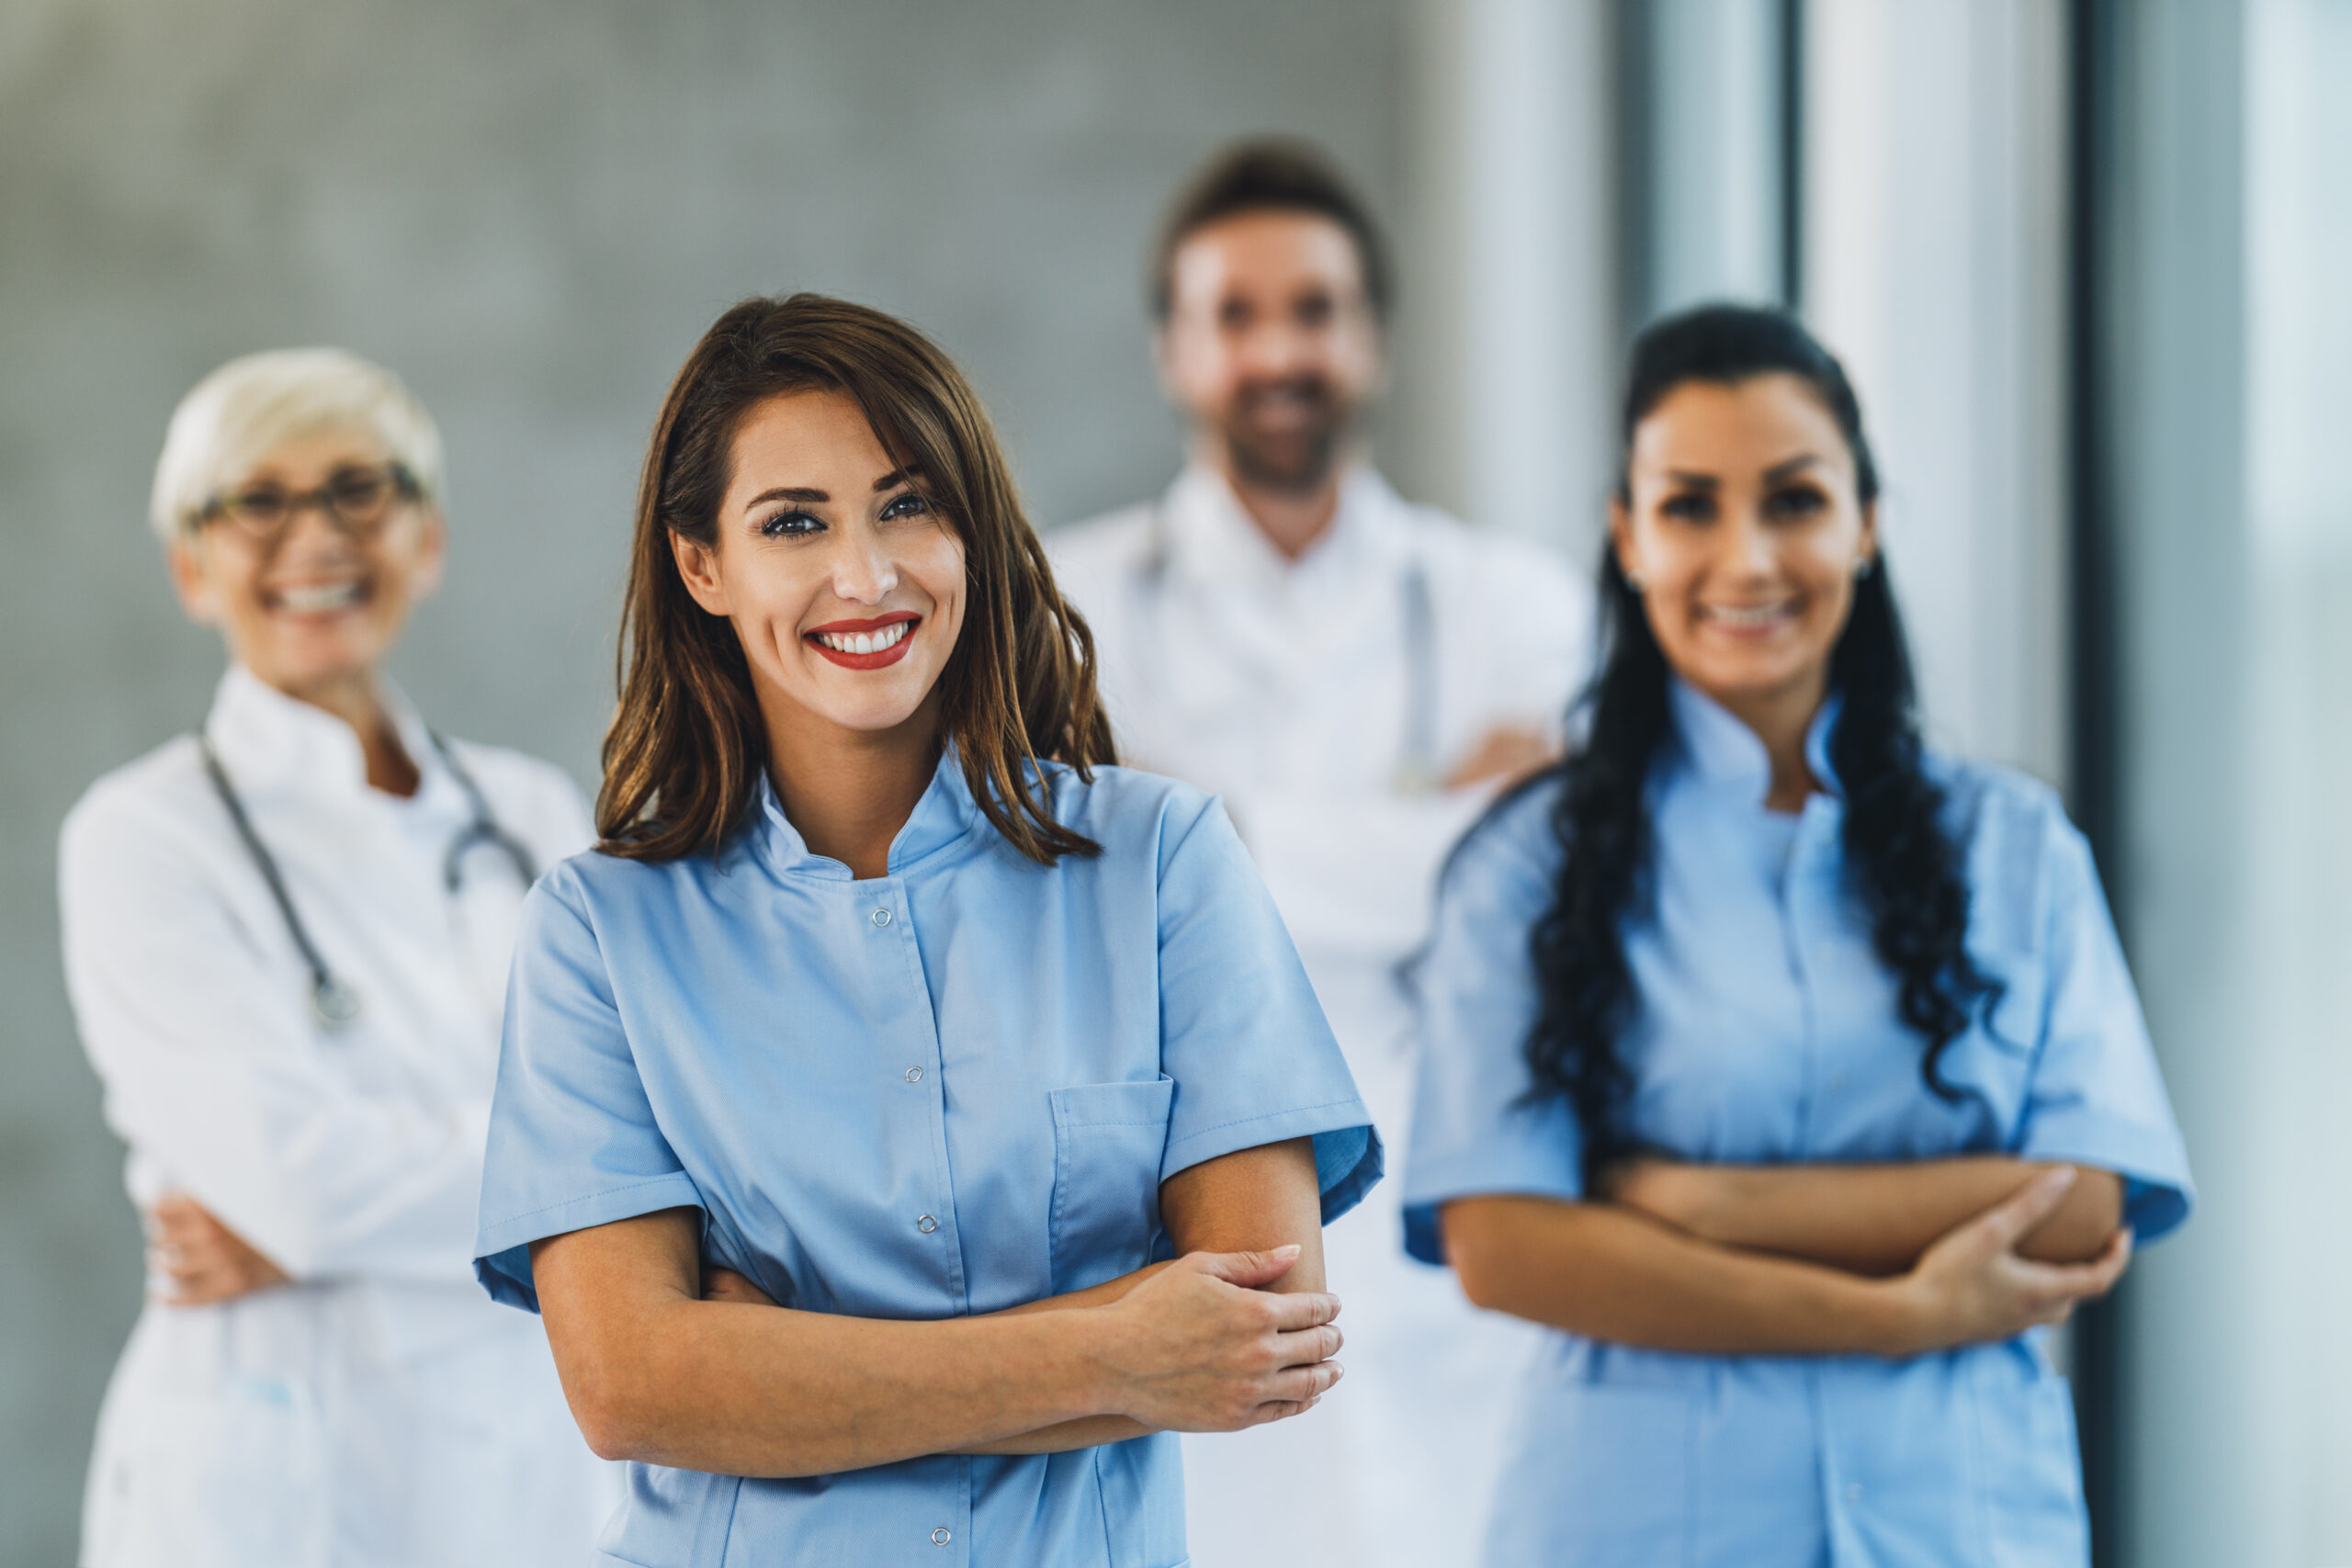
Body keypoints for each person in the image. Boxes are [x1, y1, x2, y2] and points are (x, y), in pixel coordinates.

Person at [470, 293, 1381, 1565]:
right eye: (796, 523)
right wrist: (1117, 1344)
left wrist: (773, 1370)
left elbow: (1259, 1337)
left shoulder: (1162, 866)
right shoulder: (601, 930)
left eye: (910, 505)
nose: (866, 575)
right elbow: (631, 1390)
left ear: (976, 531)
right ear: (703, 566)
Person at [1404, 304, 2196, 1567]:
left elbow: (2079, 1202)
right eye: (1690, 506)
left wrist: (1707, 1202)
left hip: (1962, 1518)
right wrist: (1897, 1311)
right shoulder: (1526, 866)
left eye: (1794, 499)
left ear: (1865, 525)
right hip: (1643, 1521)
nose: (1748, 558)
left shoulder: (2015, 845)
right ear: (1628, 537)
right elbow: (1503, 1244)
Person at [1049, 138, 1580, 1565]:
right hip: (1171, 1226)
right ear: (1173, 349)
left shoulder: (1513, 603)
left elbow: (1556, 889)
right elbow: (1062, 897)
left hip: (1444, 1228)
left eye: (1316, 310)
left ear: (1375, 339)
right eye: (1235, 315)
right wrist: (1434, 821)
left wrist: (1196, 828)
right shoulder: (1058, 609)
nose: (1279, 351)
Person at [59, 348, 615, 1566]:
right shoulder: (143, 838)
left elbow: (652, 1122)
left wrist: (333, 1220)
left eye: (361, 490)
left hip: (535, 1459)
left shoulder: (527, 813)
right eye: (256, 502)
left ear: (428, 540)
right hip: (283, 1475)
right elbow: (300, 1184)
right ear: (191, 567)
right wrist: (578, 1211)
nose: (314, 538)